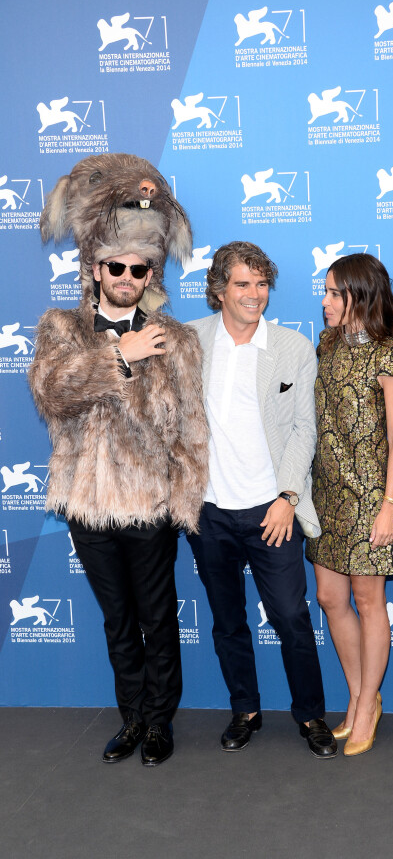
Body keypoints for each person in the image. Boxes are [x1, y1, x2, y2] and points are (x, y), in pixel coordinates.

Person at [28, 154, 208, 767]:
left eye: (139, 267)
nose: (127, 275)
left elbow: (188, 428)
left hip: (149, 505)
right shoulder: (61, 328)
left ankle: (159, 724)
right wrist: (121, 358)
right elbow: (52, 393)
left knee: (158, 621)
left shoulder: (176, 339)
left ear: (150, 272)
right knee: (117, 623)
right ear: (95, 269)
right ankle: (130, 718)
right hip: (86, 503)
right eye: (116, 266)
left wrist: (183, 498)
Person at [187, 241, 337, 759]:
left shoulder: (293, 347)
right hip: (207, 511)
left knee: (291, 617)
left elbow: (304, 429)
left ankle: (311, 714)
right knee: (227, 618)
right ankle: (244, 708)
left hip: (273, 507)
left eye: (261, 283)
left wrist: (287, 496)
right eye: (243, 284)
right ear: (219, 290)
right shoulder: (191, 341)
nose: (255, 294)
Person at [306, 253, 393, 756]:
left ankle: (367, 704)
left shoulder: (391, 352)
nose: (324, 302)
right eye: (324, 292)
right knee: (330, 598)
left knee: (369, 602)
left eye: (333, 293)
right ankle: (357, 693)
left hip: (371, 494)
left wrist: (390, 505)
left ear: (359, 296)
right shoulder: (326, 345)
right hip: (326, 494)